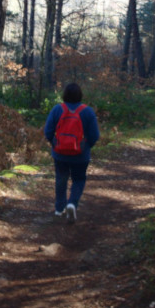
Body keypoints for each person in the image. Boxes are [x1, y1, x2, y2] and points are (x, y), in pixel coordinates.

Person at [44, 83, 99, 223]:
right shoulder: (87, 111)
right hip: (80, 154)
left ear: (65, 95)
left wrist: (54, 143)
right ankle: (72, 203)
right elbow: (94, 136)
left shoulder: (57, 109)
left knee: (61, 178)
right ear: (80, 95)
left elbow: (48, 131)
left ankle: (59, 209)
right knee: (79, 179)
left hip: (60, 153)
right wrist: (86, 146)